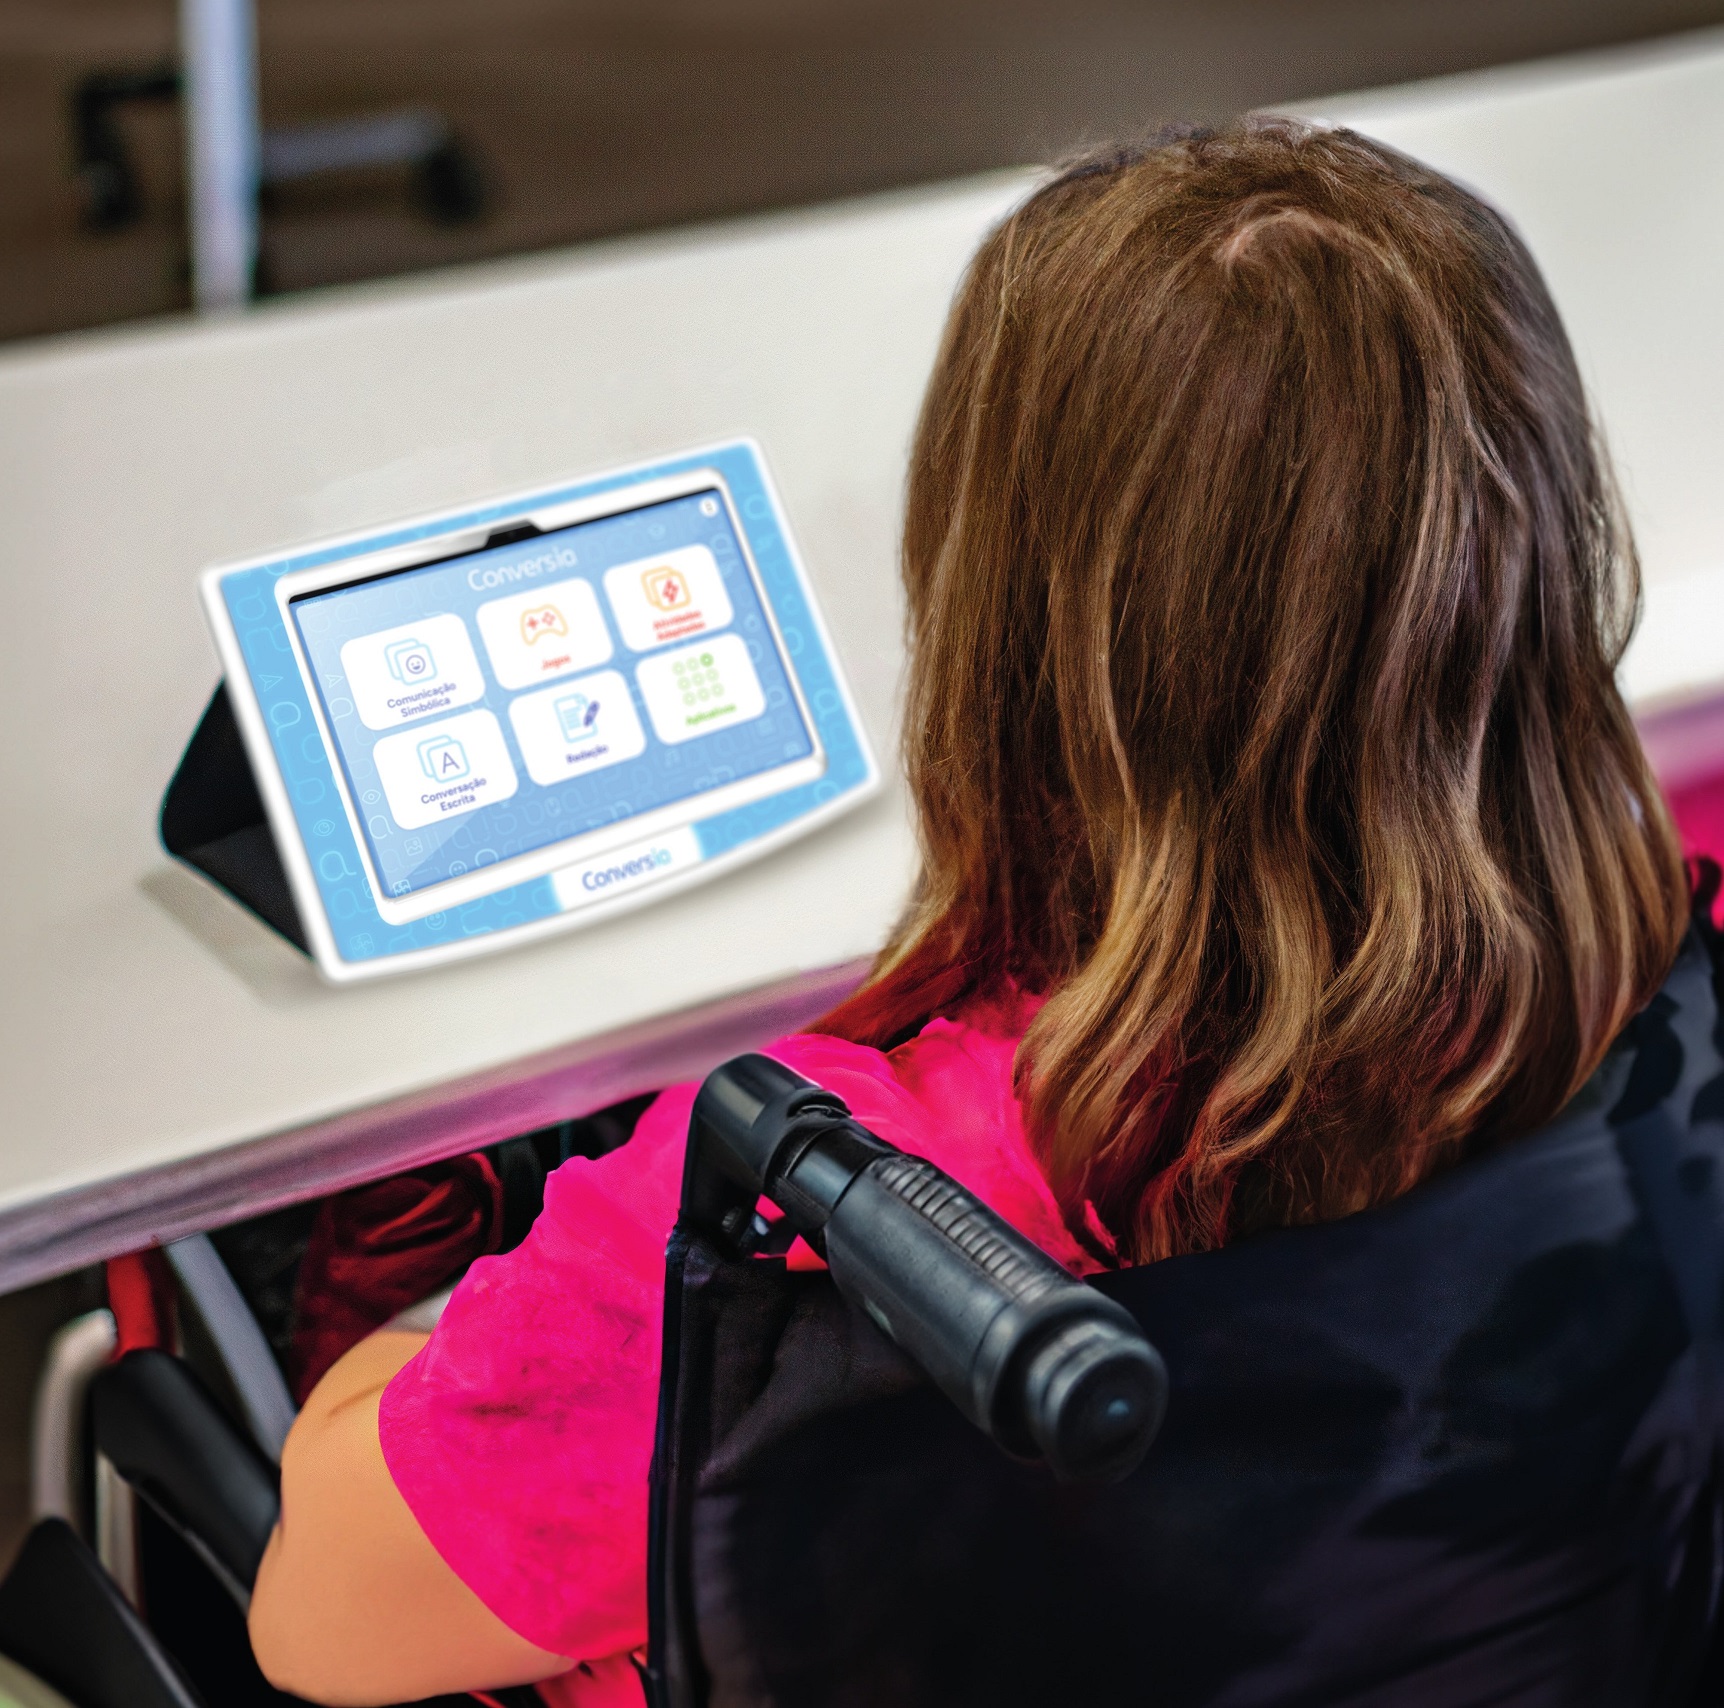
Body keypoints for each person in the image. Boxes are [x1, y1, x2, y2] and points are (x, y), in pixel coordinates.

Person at [247, 119, 1695, 1705]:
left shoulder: (806, 1210)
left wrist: (445, 1319)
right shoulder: (1659, 992)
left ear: (1002, 618)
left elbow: (319, 1626)